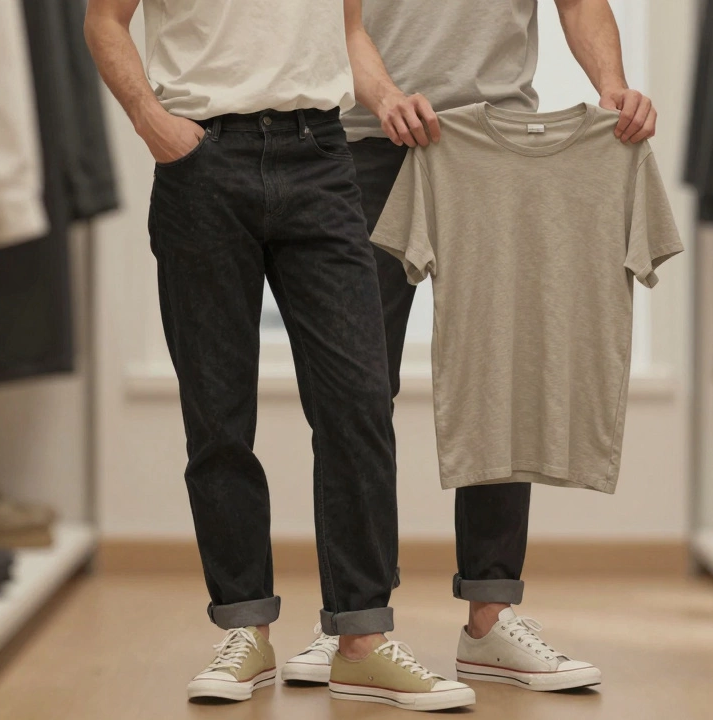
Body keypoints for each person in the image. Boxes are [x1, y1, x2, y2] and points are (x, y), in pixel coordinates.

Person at [84, 0, 476, 710]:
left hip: (324, 160)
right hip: (202, 161)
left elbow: (348, 30)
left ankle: (362, 639)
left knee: (358, 401)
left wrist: (385, 96)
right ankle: (245, 630)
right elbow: (105, 20)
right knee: (218, 415)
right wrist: (152, 123)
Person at [280, 0, 659, 693]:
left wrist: (611, 84)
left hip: (496, 146)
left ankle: (490, 618)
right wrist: (387, 96)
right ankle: (352, 617)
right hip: (365, 145)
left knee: (500, 375)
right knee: (353, 395)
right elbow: (333, 17)